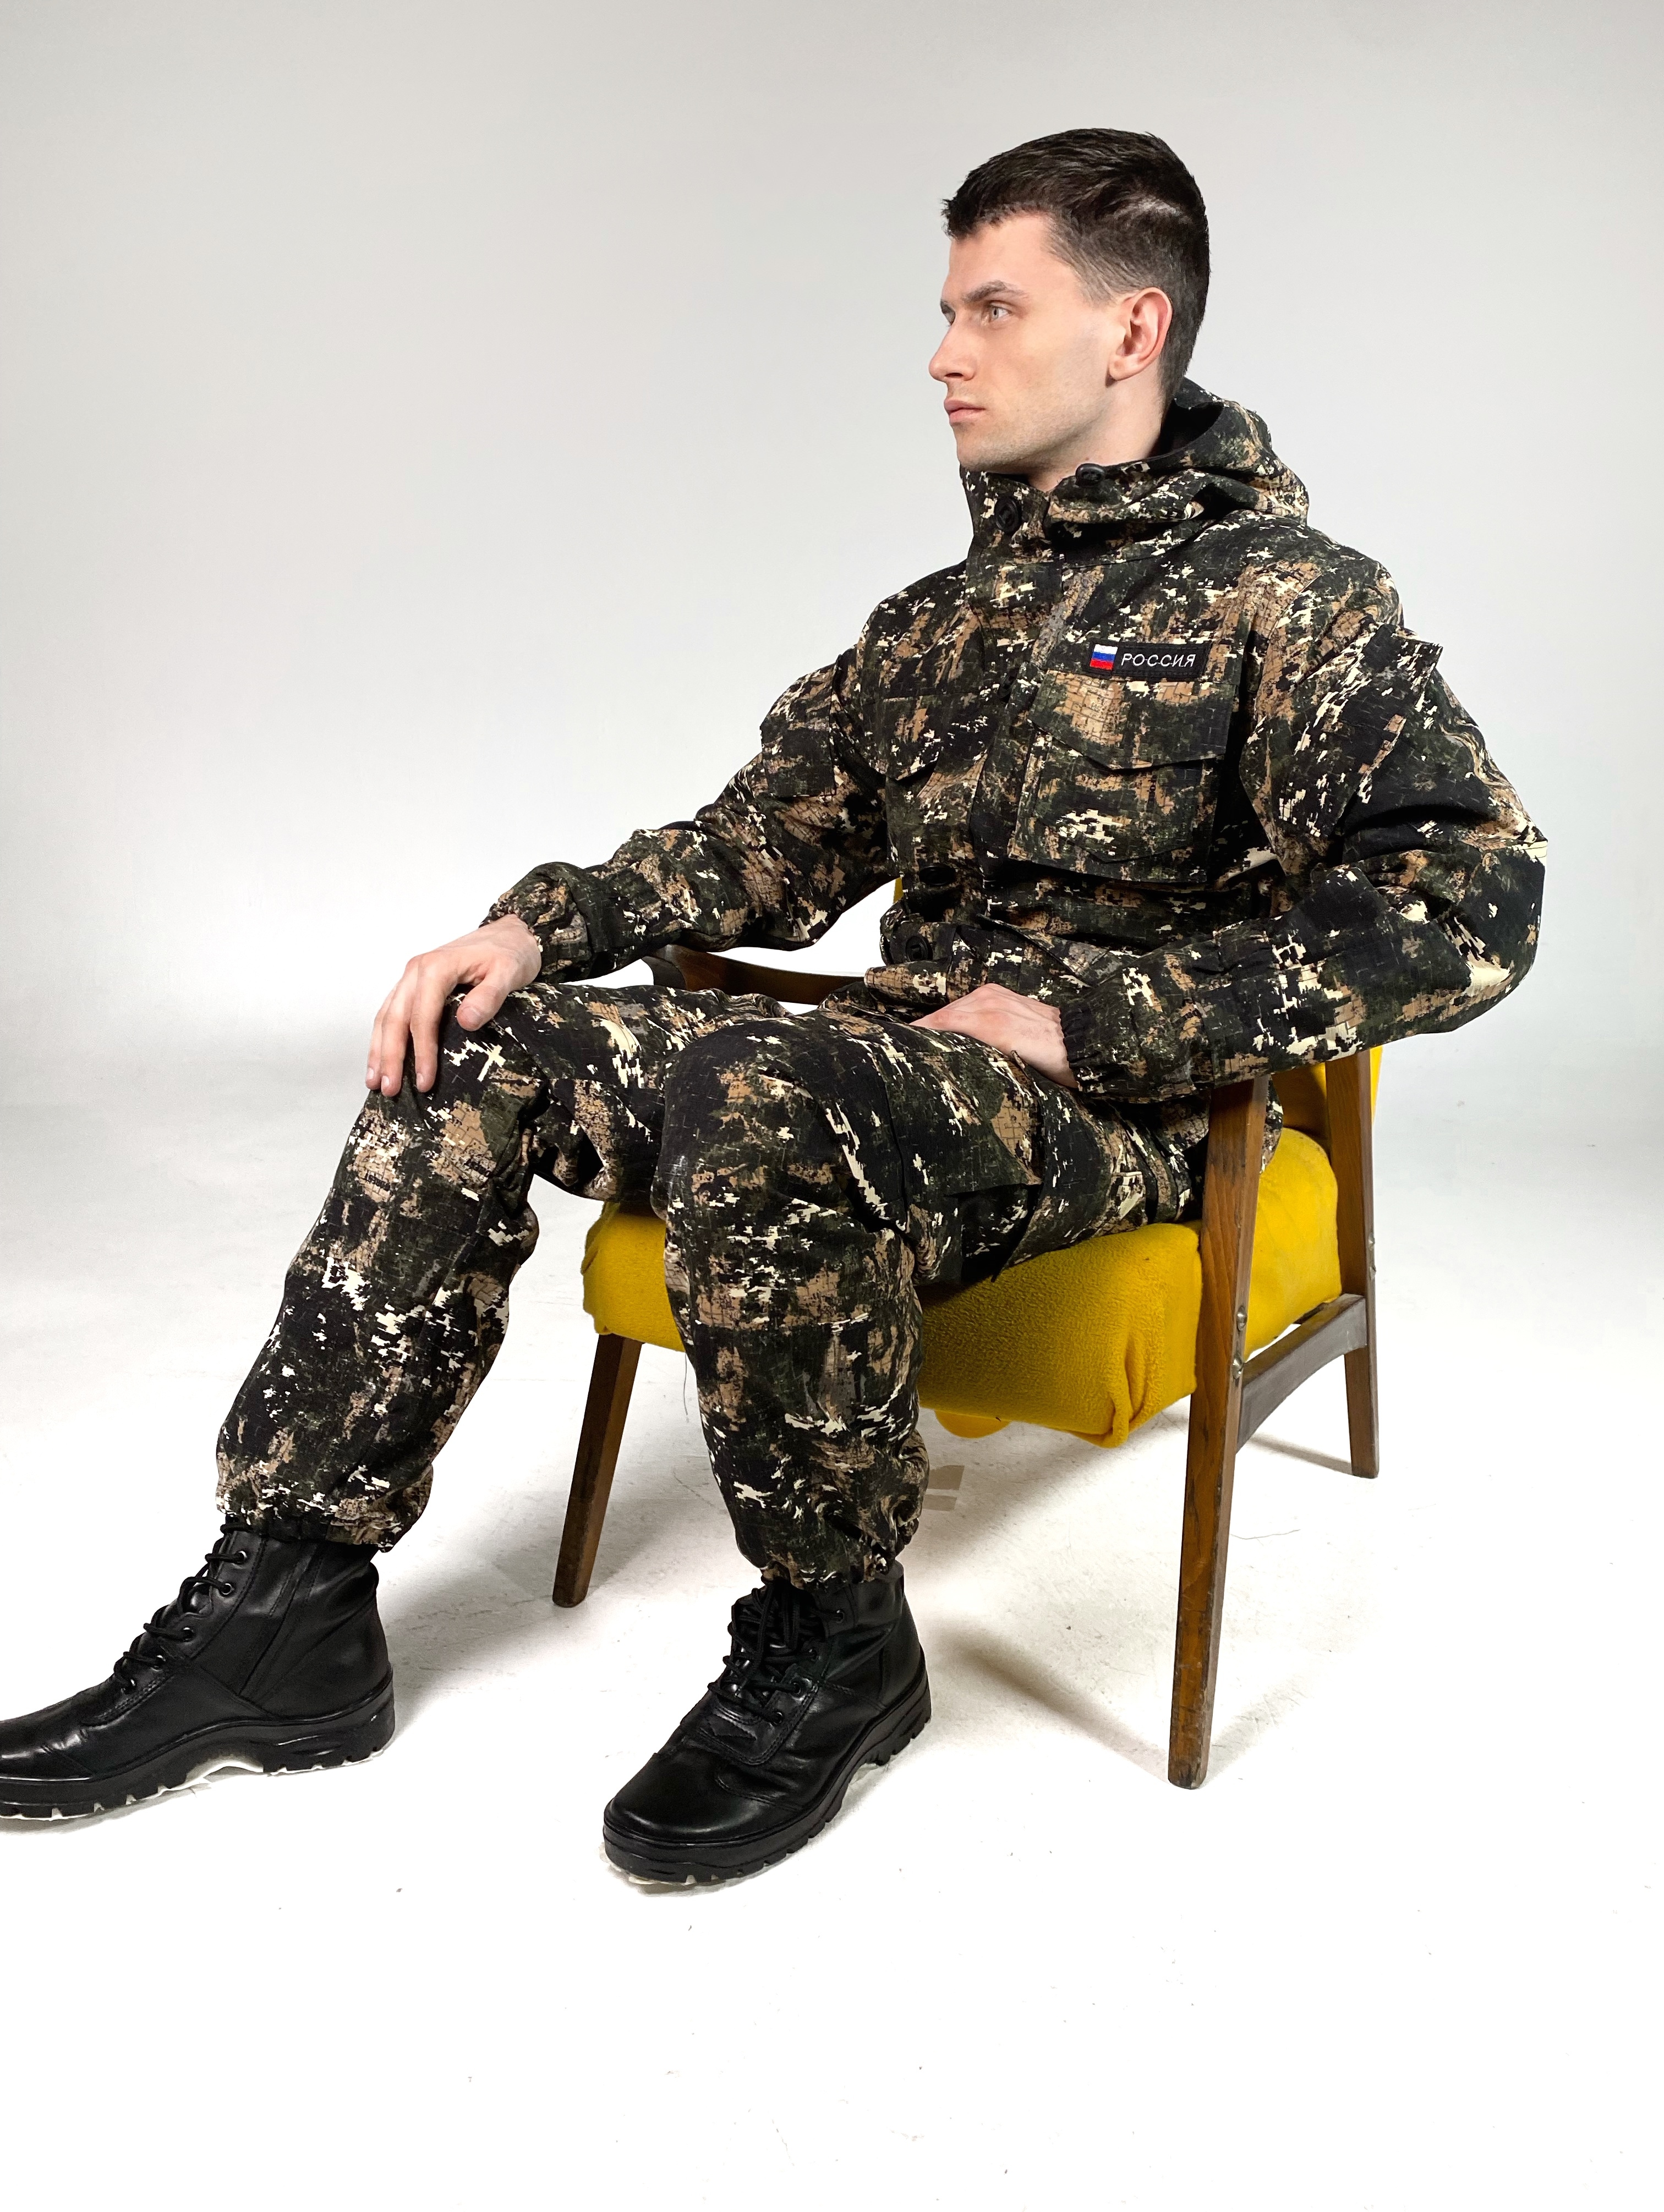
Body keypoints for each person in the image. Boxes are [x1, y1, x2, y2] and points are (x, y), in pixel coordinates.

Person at [0, 128, 1543, 1875]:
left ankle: (835, 1636)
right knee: (475, 1046)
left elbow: (1472, 896)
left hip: (1118, 1116)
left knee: (763, 1084)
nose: (943, 354)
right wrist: (537, 928)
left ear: (1133, 330)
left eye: (991, 308)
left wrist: (1101, 1023)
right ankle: (281, 1612)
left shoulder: (1293, 600)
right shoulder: (934, 626)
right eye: (945, 311)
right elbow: (762, 846)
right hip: (908, 1071)